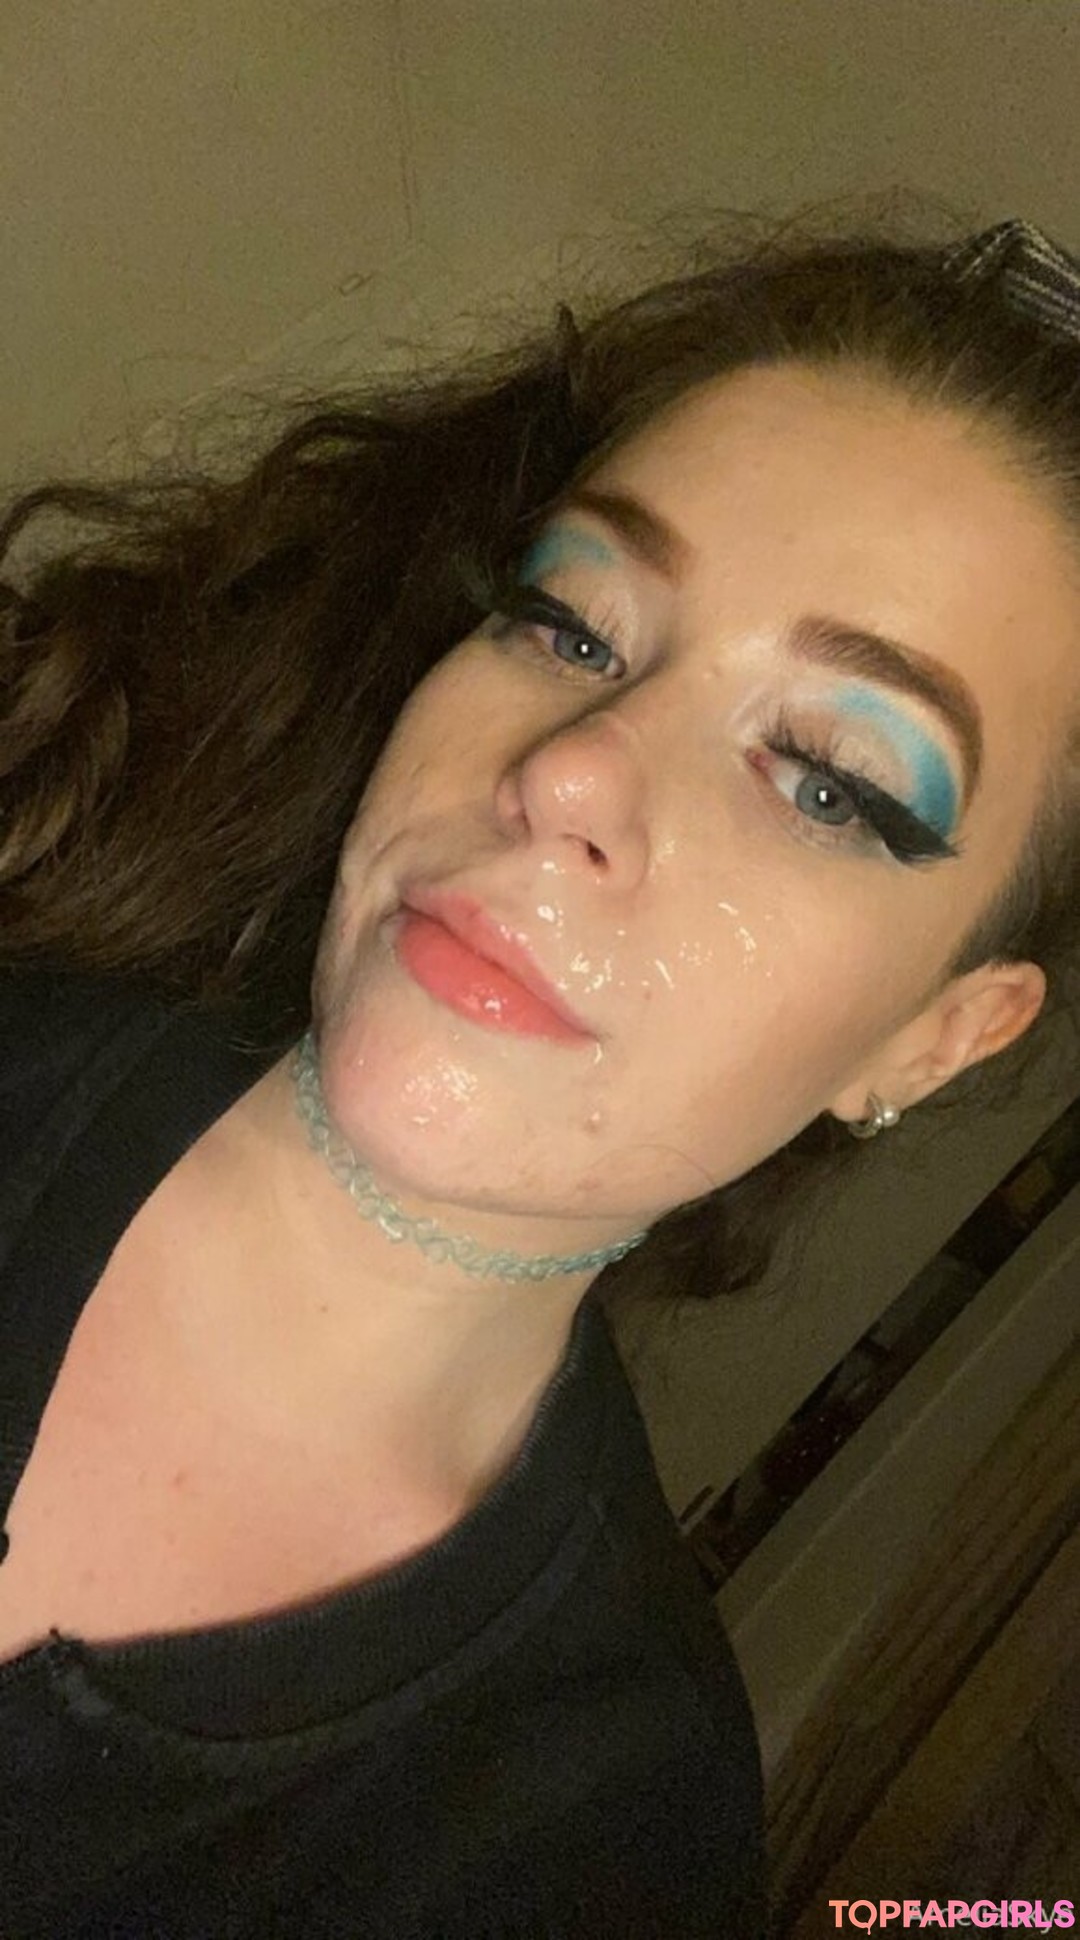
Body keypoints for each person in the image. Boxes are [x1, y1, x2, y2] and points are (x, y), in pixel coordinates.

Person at [1, 212, 1079, 1938]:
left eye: (827, 781)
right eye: (574, 626)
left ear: (933, 1038)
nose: (574, 772)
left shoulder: (596, 1835)